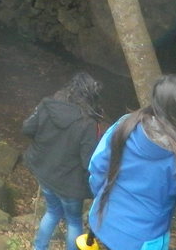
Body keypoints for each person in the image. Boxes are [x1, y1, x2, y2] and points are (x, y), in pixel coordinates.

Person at [85, 75, 176, 250]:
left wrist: (105, 201)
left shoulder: (125, 124)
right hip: (141, 242)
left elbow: (97, 167)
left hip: (103, 222)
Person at [23, 71, 104, 250]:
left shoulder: (48, 105)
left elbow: (27, 128)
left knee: (52, 211)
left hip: (46, 173)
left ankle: (39, 247)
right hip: (70, 184)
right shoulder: (88, 123)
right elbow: (88, 162)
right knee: (74, 221)